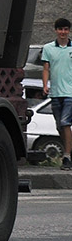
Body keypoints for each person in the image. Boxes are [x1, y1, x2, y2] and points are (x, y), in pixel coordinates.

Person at [41, 17, 72, 170]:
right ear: (56, 30)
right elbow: (46, 68)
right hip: (55, 92)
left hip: (70, 93)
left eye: (66, 29)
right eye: (60, 29)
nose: (63, 32)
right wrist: (45, 84)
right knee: (59, 125)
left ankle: (66, 156)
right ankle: (69, 149)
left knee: (66, 122)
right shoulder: (48, 48)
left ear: (69, 31)